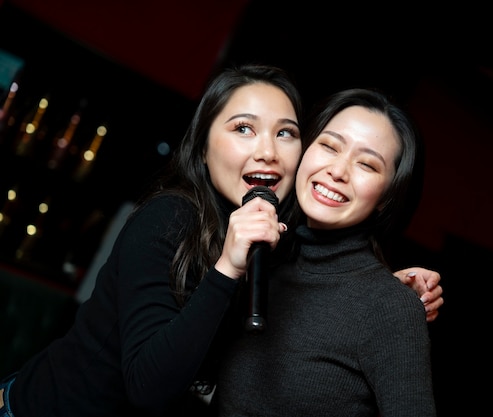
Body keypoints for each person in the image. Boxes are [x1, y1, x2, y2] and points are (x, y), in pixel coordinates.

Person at [0, 64, 441, 417]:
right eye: (243, 128)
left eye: (285, 132)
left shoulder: (274, 242)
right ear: (203, 144)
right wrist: (226, 267)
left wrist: (387, 295)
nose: (267, 150)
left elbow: (328, 279)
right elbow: (148, 390)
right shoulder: (170, 218)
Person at [212, 88, 436, 416]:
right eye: (329, 146)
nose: (338, 171)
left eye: (367, 165)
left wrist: (392, 304)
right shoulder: (262, 258)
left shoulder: (391, 308)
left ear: (387, 197)